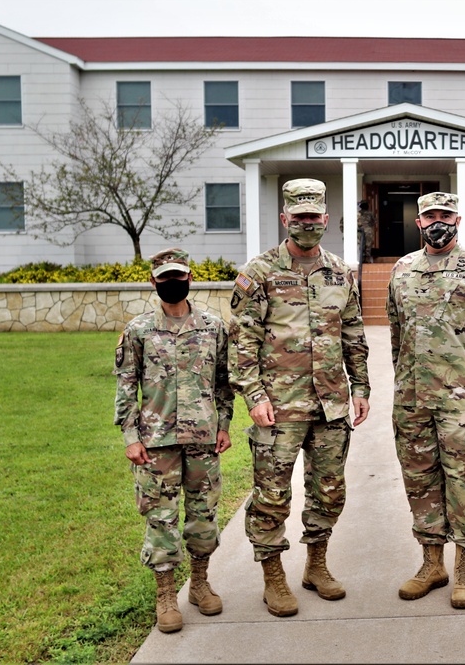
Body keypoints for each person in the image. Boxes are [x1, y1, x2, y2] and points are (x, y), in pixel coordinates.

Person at [229, 178, 370, 617]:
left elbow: (353, 333)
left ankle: (316, 565)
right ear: (284, 218)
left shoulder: (341, 273)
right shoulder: (259, 273)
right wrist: (253, 395)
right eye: (299, 217)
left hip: (330, 405)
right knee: (271, 496)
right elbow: (242, 341)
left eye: (314, 217)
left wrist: (361, 387)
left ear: (326, 219)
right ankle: (273, 578)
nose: (307, 224)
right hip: (278, 407)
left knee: (329, 492)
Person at [386, 191, 465, 609]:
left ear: (458, 219)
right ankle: (432, 563)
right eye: (430, 215)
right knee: (419, 482)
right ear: (419, 222)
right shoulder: (402, 269)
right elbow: (396, 334)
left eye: (445, 214)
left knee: (462, 484)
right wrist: (401, 384)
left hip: (462, 399)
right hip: (412, 398)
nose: (437, 221)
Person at [114, 247, 234, 634]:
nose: (172, 283)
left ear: (190, 278)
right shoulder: (138, 330)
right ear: (153, 281)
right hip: (156, 442)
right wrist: (131, 436)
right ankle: (166, 593)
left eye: (178, 276)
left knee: (204, 516)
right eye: (164, 277)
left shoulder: (214, 327)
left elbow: (224, 385)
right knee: (160, 517)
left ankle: (199, 584)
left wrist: (224, 425)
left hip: (202, 439)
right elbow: (126, 385)